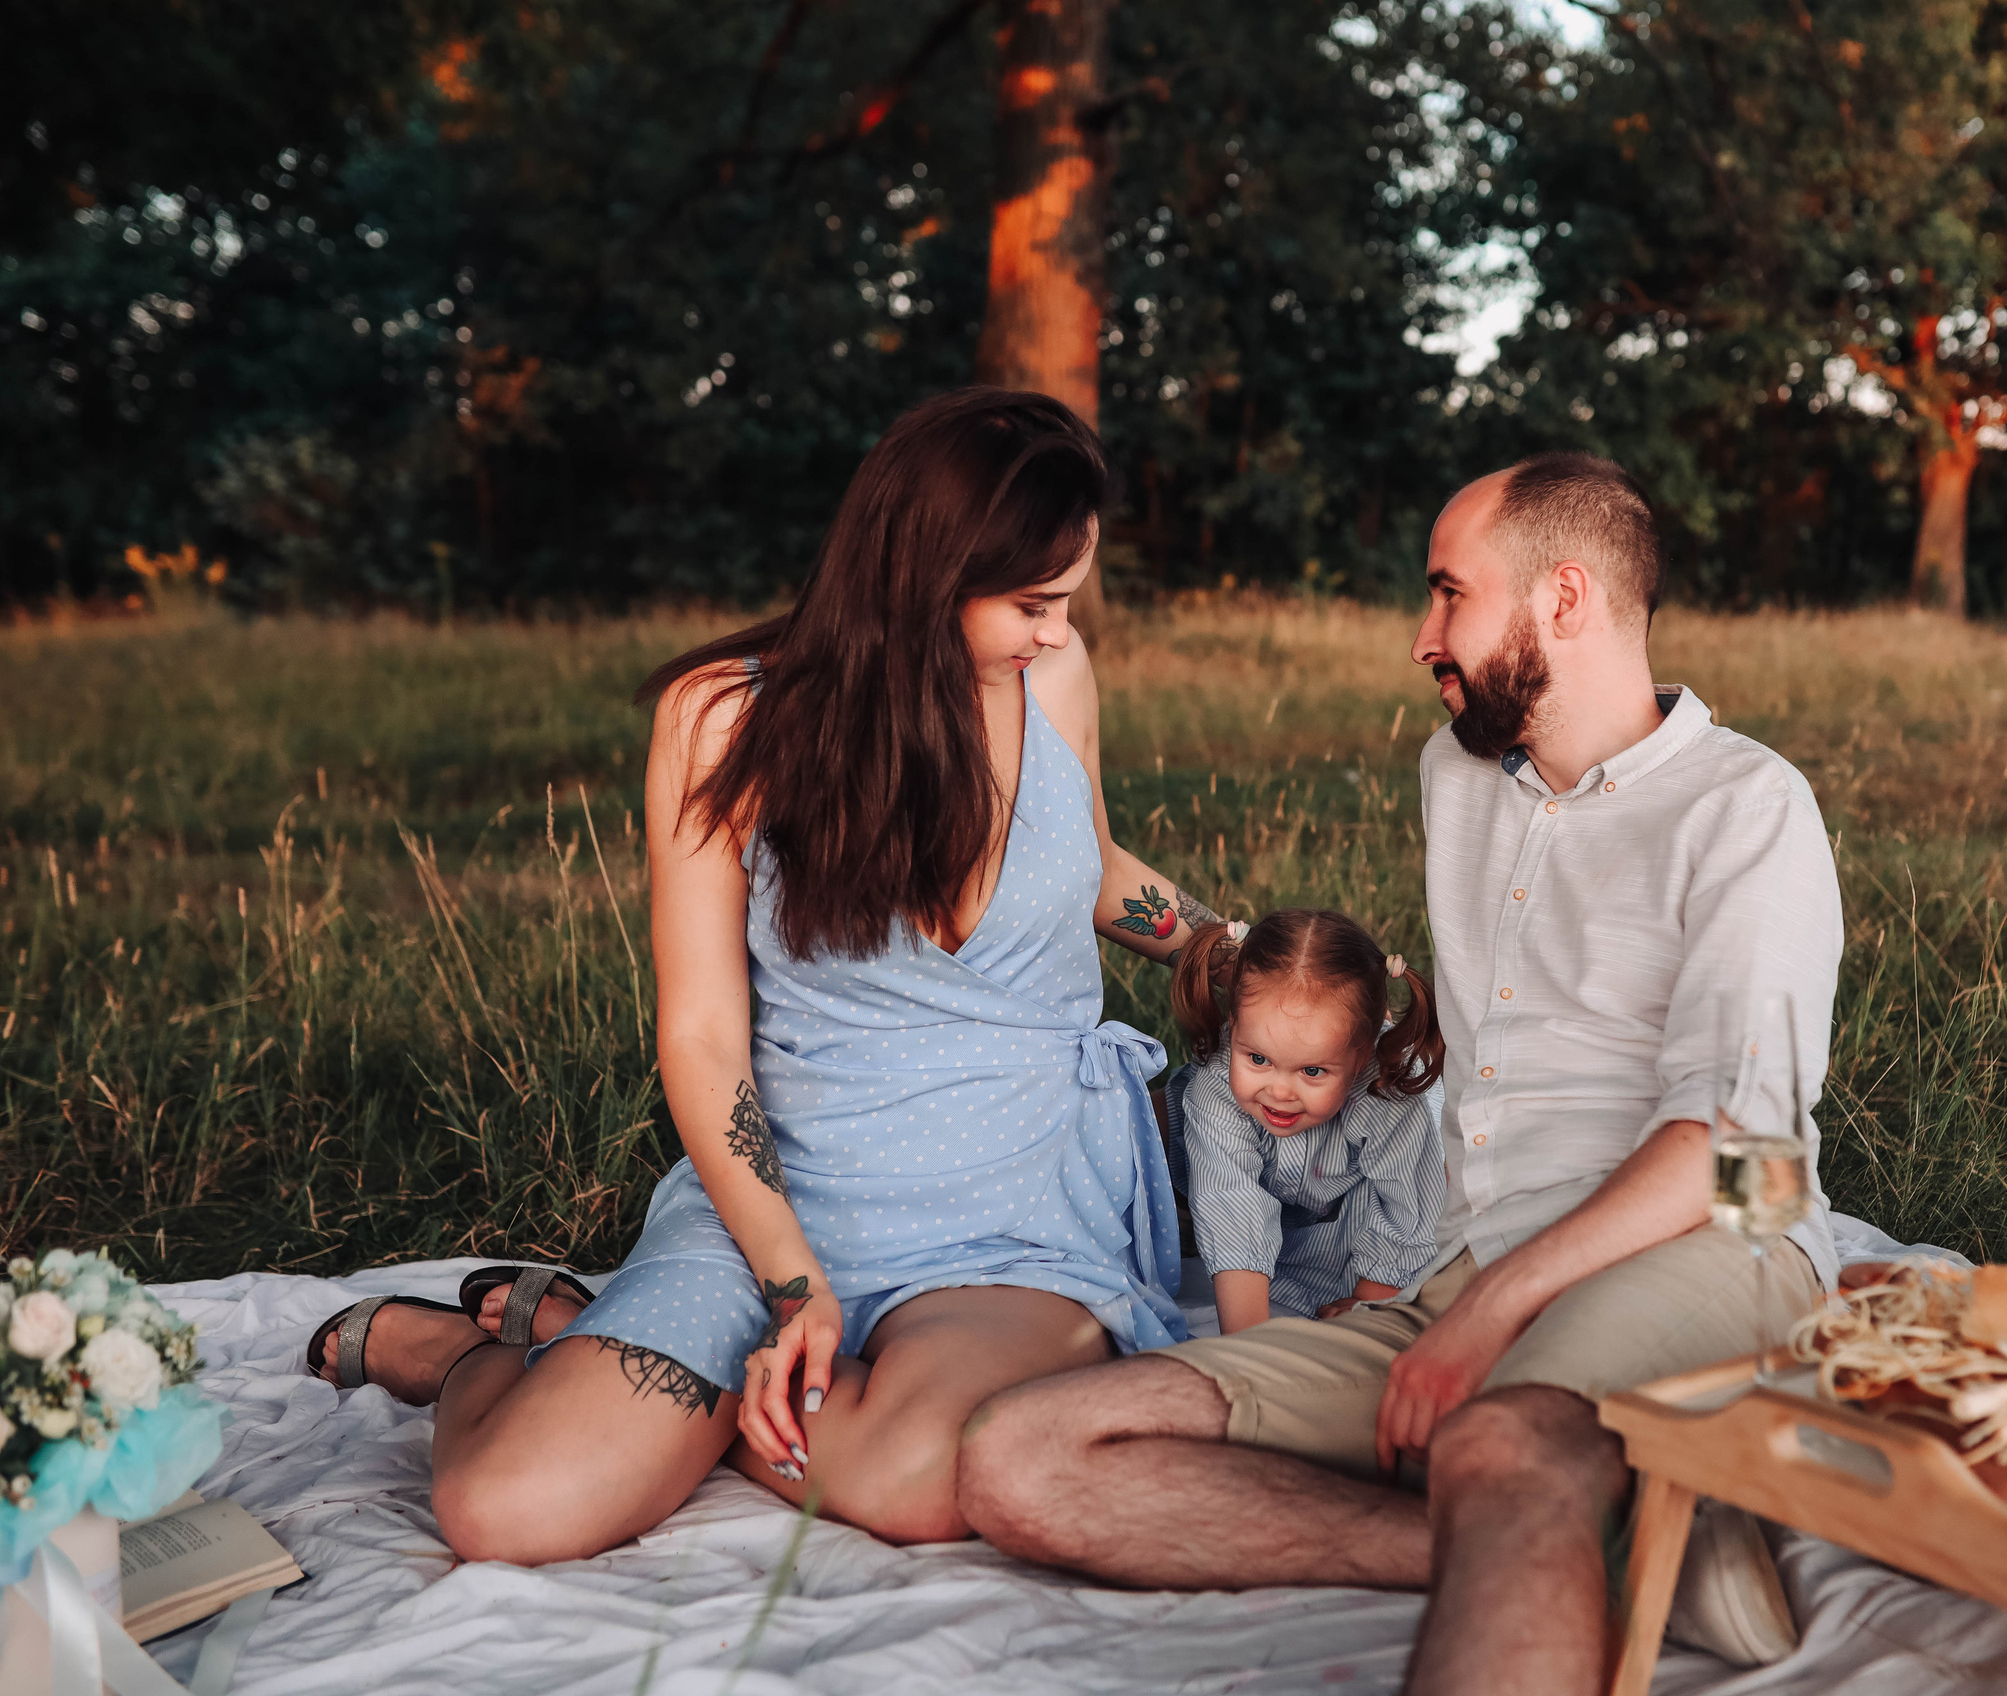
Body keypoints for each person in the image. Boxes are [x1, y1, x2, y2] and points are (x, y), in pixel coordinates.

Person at [957, 453, 1845, 1695]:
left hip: (1704, 1246)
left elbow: (1736, 1147)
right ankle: (1613, 1540)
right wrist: (1236, 958)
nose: (1421, 636)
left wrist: (1479, 1320)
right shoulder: (1460, 774)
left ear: (1565, 599)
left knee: (1500, 1442)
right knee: (1024, 1454)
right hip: (1466, 1263)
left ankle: (1527, 1496)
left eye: (1447, 595)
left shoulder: (1745, 808)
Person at [301, 388, 1222, 1560]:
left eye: (1066, 601)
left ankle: (645, 1374)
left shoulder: (1054, 676)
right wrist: (793, 1286)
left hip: (1006, 1202)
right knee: (507, 1510)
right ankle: (475, 1360)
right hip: (780, 1194)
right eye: (1031, 603)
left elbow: (1081, 859)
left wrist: (1223, 945)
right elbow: (699, 1041)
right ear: (922, 575)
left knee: (916, 1481)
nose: (1054, 630)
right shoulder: (723, 720)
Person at [1165, 909, 1445, 1332]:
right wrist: (1248, 1347)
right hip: (1289, 1222)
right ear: (1234, 1024)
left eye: (1312, 1071)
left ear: (1363, 1052)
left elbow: (1408, 1206)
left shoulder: (1391, 1097)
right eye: (1258, 1058)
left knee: (1411, 1293)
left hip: (1360, 1221)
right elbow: (1231, 1206)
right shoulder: (1217, 1093)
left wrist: (1368, 1303)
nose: (1280, 1091)